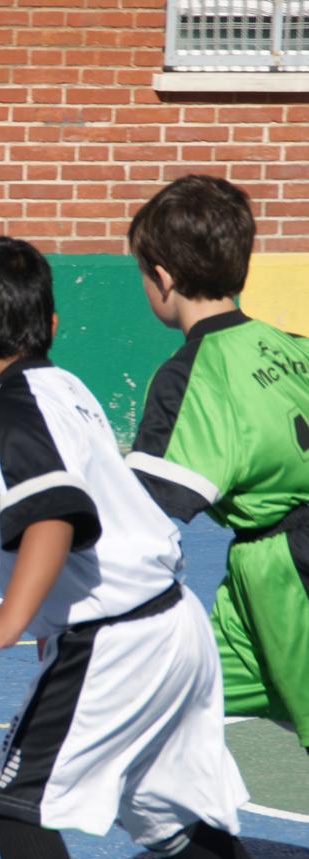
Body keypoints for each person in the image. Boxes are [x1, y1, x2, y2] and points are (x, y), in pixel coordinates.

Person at [0, 235, 273, 859]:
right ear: (52, 325)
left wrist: (7, 623)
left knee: (16, 805)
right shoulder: (63, 387)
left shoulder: (8, 409)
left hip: (114, 637)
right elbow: (79, 481)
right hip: (172, 622)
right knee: (158, 809)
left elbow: (54, 517)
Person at [126, 174, 309, 757]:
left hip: (289, 572)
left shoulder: (190, 375)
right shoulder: (296, 346)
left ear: (161, 278)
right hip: (254, 583)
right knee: (163, 698)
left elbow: (140, 512)